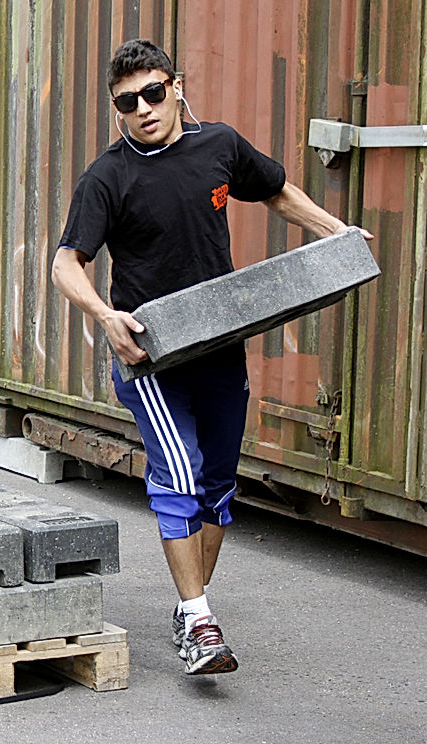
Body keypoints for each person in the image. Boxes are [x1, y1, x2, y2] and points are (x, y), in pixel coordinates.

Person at [51, 39, 372, 676]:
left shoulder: (218, 146)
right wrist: (105, 316)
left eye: (153, 92)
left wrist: (339, 235)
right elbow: (67, 262)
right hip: (150, 355)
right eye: (126, 102)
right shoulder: (107, 176)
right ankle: (200, 619)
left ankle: (190, 606)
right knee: (181, 471)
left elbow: (279, 193)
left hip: (221, 345)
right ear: (115, 109)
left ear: (176, 86)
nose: (142, 109)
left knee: (220, 484)